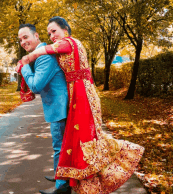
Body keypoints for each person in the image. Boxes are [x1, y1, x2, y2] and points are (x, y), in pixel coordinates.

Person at [20, 17, 145, 194]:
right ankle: (66, 178)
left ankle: (69, 183)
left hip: (82, 94)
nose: (52, 35)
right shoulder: (64, 45)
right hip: (76, 93)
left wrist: (30, 57)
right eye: (49, 33)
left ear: (65, 29)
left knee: (85, 140)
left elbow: (53, 49)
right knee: (76, 141)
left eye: (54, 31)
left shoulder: (70, 42)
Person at [15, 23, 71, 194]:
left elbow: (36, 86)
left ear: (36, 36)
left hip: (58, 107)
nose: (23, 42)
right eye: (20, 40)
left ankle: (62, 187)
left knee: (59, 147)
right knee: (60, 146)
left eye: (25, 37)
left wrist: (23, 68)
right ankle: (60, 176)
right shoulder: (40, 54)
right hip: (56, 106)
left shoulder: (43, 56)